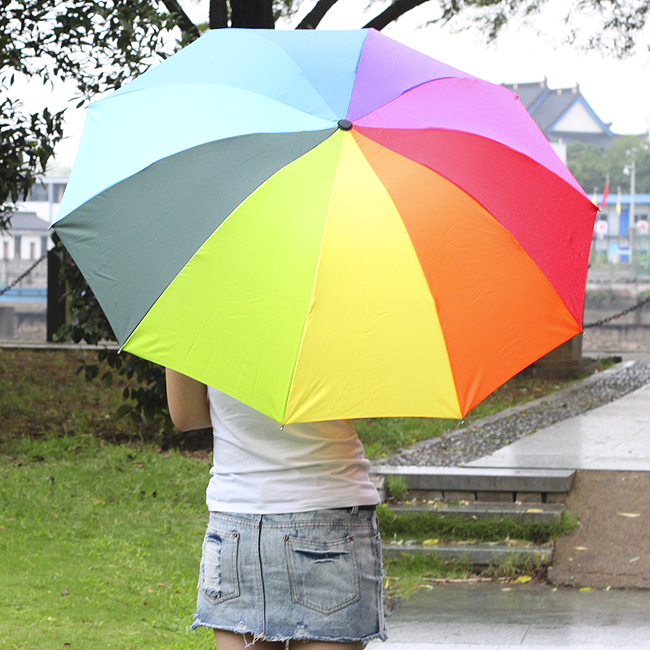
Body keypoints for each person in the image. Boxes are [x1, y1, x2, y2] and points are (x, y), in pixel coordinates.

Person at [166, 368, 386, 650]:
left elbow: (187, 416)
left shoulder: (197, 336)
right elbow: (365, 398)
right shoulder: (340, 335)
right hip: (328, 518)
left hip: (237, 526)